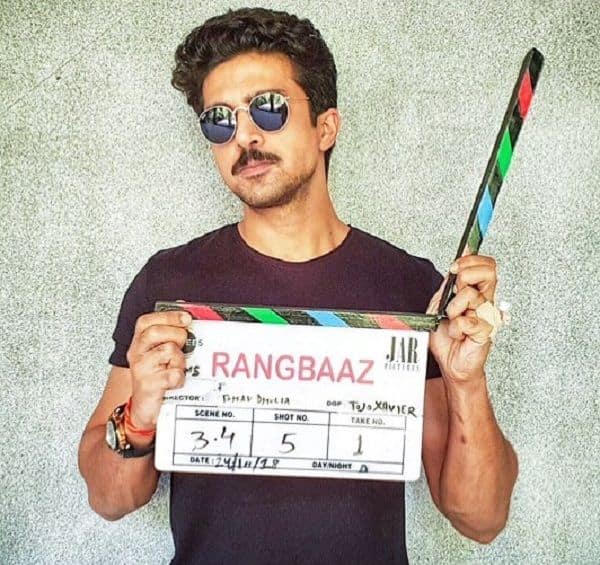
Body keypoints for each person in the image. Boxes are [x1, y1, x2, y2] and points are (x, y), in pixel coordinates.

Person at [78, 7, 518, 564]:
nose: (244, 136)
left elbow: (481, 519)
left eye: (269, 107)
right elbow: (110, 498)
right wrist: (139, 416)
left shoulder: (411, 290)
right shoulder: (169, 285)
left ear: (325, 127)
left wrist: (466, 382)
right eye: (219, 120)